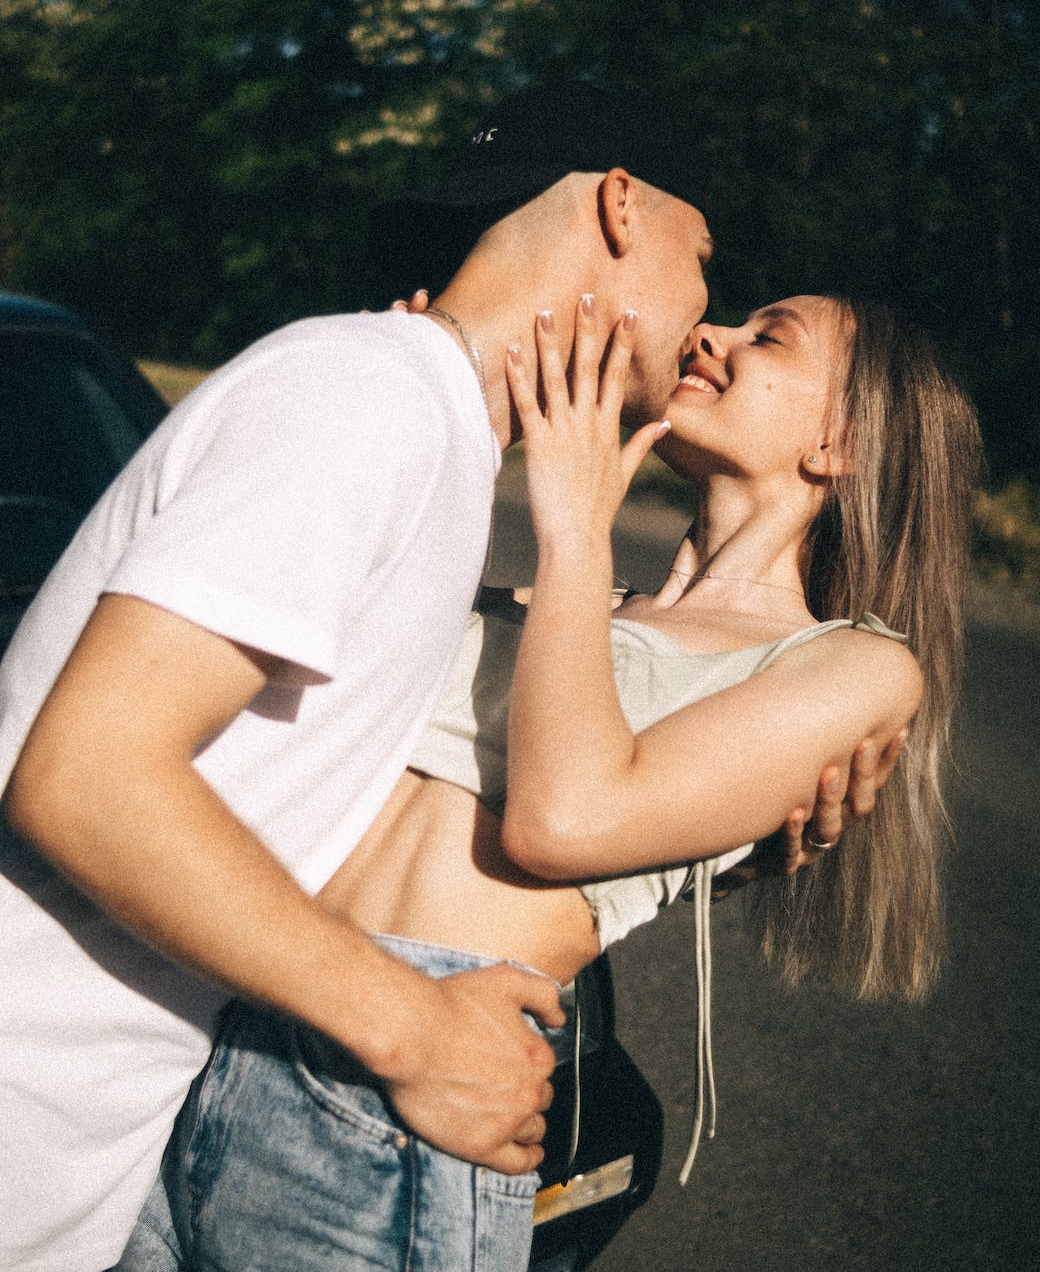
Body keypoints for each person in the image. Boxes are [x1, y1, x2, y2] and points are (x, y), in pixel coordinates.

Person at [0, 82, 869, 1271]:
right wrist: (413, 1025)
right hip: (88, 1096)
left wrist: (720, 825)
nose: (707, 317)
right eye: (707, 261)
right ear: (622, 206)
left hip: (138, 1109)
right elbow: (88, 777)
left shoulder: (419, 429)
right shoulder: (375, 397)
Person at [119, 291, 980, 1271]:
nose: (708, 335)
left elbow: (560, 818)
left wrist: (575, 528)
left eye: (765, 335)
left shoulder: (851, 666)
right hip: (239, 1004)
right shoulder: (566, 607)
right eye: (725, 321)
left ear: (841, 442)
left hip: (399, 1104)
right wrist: (434, 401)